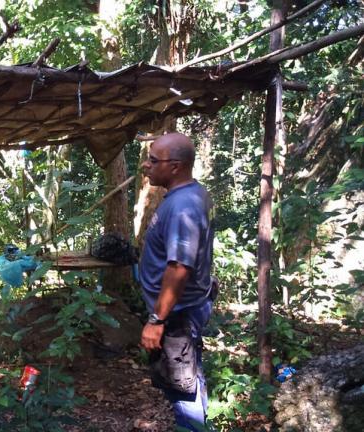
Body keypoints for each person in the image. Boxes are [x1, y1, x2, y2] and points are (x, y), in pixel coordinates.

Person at [138, 133, 215, 431]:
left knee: (181, 384)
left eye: (154, 160)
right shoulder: (191, 195)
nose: (147, 165)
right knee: (188, 375)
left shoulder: (184, 206)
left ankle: (193, 427)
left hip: (177, 315)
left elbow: (180, 267)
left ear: (176, 166)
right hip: (185, 308)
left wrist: (157, 319)